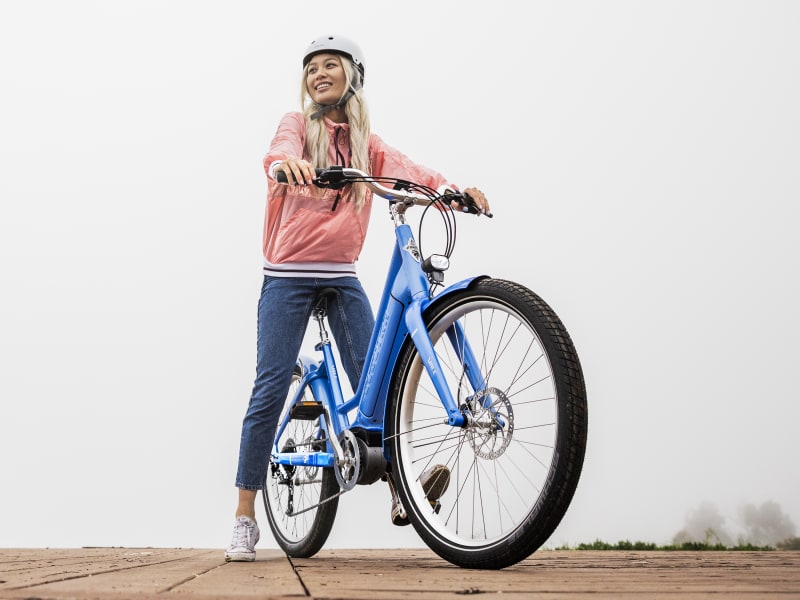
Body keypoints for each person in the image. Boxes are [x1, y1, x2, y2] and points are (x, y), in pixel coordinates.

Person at [225, 34, 491, 562]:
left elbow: (408, 170)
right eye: (311, 69)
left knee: (382, 381)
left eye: (330, 66)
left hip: (340, 275)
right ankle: (244, 517)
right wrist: (285, 166)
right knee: (271, 384)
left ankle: (402, 495)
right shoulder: (298, 128)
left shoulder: (367, 145)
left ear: (353, 76)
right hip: (287, 274)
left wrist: (453, 191)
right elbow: (276, 152)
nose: (318, 75)